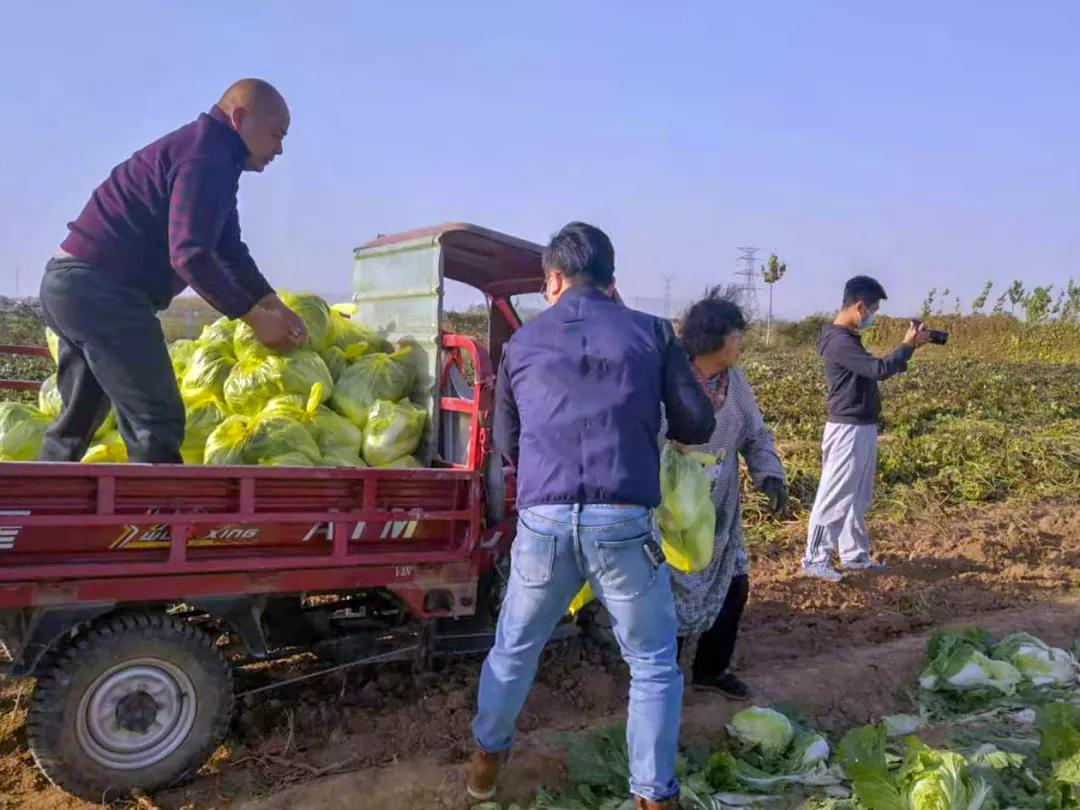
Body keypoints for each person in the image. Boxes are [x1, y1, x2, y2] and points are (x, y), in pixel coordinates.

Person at [466, 223, 715, 810]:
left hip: (544, 524)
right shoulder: (650, 332)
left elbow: (506, 442)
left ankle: (483, 767)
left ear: (552, 280)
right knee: (652, 663)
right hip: (623, 523)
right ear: (612, 282)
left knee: (513, 649)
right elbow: (696, 425)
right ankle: (653, 798)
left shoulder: (522, 344)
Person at [38, 78, 307, 464]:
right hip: (103, 292)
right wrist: (252, 318)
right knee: (156, 420)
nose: (279, 149)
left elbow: (228, 248)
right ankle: (155, 522)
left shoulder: (212, 157)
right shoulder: (205, 160)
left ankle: (34, 514)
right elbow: (191, 255)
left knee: (78, 420)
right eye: (276, 135)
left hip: (70, 286)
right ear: (241, 118)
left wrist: (272, 304)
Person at [670, 289, 787, 699]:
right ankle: (664, 678)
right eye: (736, 335)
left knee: (734, 585)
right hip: (675, 512)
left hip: (720, 508)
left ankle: (711, 670)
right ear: (713, 339)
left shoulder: (734, 383)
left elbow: (755, 434)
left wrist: (769, 473)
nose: (741, 343)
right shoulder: (671, 377)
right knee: (675, 591)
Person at [801, 276, 929, 581]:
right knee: (834, 495)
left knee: (857, 497)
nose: (872, 316)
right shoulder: (838, 341)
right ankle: (815, 558)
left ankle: (854, 556)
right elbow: (878, 370)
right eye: (872, 310)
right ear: (859, 307)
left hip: (862, 426)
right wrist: (907, 346)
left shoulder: (846, 338)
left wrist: (908, 348)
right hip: (847, 428)